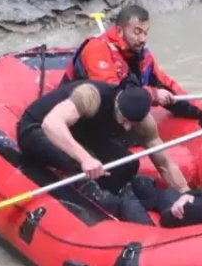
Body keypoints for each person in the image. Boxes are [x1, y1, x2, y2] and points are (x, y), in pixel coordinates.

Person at [16, 79, 191, 222]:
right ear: (117, 105)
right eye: (124, 120)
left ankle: (125, 192)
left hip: (82, 131)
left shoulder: (143, 121)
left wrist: (185, 193)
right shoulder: (91, 96)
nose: (127, 126)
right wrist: (85, 159)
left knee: (128, 164)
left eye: (133, 123)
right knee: (79, 161)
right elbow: (51, 123)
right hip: (38, 127)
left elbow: (164, 163)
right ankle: (94, 202)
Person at [61, 4, 202, 126]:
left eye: (145, 33)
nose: (143, 39)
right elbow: (110, 93)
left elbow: (169, 87)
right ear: (120, 31)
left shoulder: (142, 55)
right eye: (137, 32)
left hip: (114, 111)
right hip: (82, 113)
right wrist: (152, 94)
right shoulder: (96, 49)